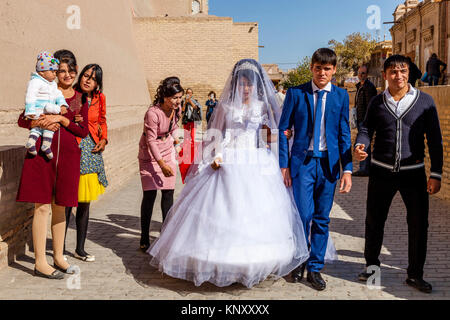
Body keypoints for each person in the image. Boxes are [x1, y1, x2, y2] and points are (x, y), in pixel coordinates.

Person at [147, 59, 310, 288]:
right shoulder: (225, 107)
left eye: (249, 85)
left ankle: (252, 261)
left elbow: (266, 135)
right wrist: (216, 155)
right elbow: (217, 134)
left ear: (256, 86)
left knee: (253, 212)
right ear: (235, 84)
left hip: (254, 160)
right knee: (225, 208)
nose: (246, 89)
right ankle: (219, 260)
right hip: (229, 159)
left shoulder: (261, 107)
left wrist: (284, 134)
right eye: (242, 84)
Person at [355, 54, 443, 294]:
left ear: (409, 73)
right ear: (385, 75)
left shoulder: (424, 101)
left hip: (413, 174)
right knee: (374, 222)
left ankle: (415, 274)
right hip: (381, 172)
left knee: (418, 224)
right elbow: (365, 128)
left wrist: (436, 174)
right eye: (393, 71)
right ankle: (372, 267)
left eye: (403, 71)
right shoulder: (376, 102)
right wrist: (361, 144)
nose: (399, 76)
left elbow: (435, 140)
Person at [279, 48, 353, 291]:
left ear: (334, 71)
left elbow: (343, 134)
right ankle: (299, 259)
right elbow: (283, 129)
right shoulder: (296, 93)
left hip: (329, 167)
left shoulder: (341, 96)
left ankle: (315, 267)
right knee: (303, 215)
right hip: (303, 164)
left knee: (322, 218)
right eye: (318, 67)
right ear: (312, 67)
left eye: (327, 68)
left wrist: (348, 169)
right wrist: (284, 165)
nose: (322, 72)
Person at [16, 51, 89, 279]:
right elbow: (22, 119)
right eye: (62, 71)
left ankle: (58, 256)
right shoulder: (43, 89)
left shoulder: (79, 98)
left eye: (70, 71)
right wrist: (41, 120)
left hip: (68, 157)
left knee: (61, 206)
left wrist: (61, 119)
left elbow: (83, 130)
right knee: (42, 206)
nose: (66, 75)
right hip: (42, 154)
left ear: (76, 71)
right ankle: (39, 262)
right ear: (54, 72)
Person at [65, 64, 108, 262]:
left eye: (93, 78)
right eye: (85, 75)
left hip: (91, 151)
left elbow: (102, 120)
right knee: (67, 201)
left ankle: (79, 249)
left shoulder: (100, 98)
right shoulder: (72, 95)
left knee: (84, 202)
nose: (87, 80)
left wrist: (104, 139)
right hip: (74, 146)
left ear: (97, 83)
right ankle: (59, 248)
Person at [138, 77, 183, 252]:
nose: (177, 101)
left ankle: (167, 236)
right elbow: (150, 140)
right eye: (174, 98)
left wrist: (177, 141)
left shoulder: (176, 109)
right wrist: (161, 164)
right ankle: (144, 236)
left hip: (166, 149)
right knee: (149, 195)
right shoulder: (153, 113)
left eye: (179, 97)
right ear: (165, 96)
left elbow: (172, 127)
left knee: (168, 194)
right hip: (150, 153)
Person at [24, 51, 69, 159]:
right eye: (52, 71)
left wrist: (63, 104)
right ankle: (31, 142)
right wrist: (30, 111)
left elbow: (58, 94)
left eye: (55, 71)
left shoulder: (52, 84)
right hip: (38, 110)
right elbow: (30, 96)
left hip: (48, 110)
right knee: (38, 127)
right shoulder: (35, 82)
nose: (55, 74)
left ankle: (46, 145)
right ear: (42, 72)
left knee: (49, 127)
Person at [353, 64, 377, 177]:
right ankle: (365, 168)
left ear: (367, 74)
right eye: (359, 73)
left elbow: (370, 106)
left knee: (363, 144)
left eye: (363, 73)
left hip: (366, 121)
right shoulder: (359, 86)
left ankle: (364, 169)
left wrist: (367, 120)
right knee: (362, 144)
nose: (361, 75)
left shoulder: (369, 87)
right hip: (359, 119)